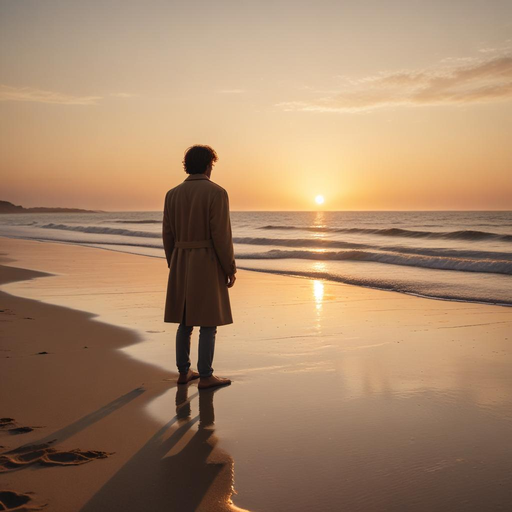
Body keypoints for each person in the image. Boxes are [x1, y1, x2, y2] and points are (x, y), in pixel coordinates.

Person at [163, 145, 236, 389]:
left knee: (185, 320)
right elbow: (221, 236)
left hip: (181, 259)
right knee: (208, 322)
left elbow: (167, 234)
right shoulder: (217, 193)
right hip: (206, 260)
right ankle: (206, 375)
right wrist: (230, 267)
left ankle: (184, 372)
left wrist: (173, 263)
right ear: (208, 165)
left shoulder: (172, 194)